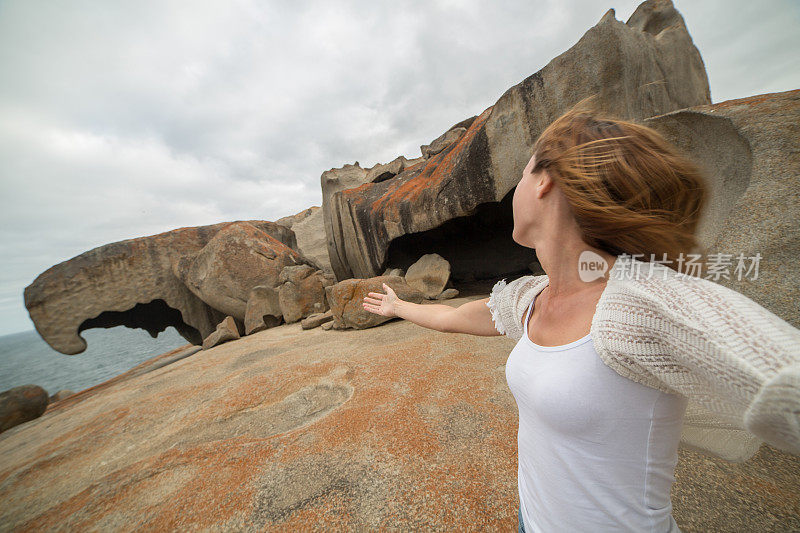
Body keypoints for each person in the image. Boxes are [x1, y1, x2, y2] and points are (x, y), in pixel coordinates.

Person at [361, 99, 800, 532]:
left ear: (546, 181)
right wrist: (399, 307)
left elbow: (785, 380)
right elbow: (459, 317)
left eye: (523, 172)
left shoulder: (640, 303)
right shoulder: (529, 298)